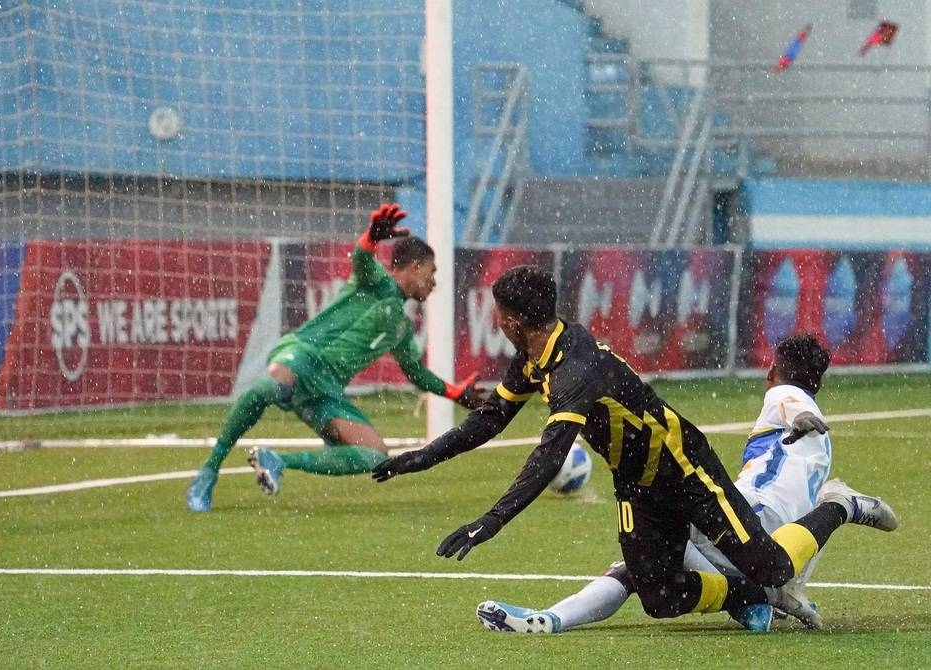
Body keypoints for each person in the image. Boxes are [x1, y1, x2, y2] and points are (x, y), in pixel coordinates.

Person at [372, 266, 898, 628]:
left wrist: (492, 519)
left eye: (499, 315)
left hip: (688, 474)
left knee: (775, 565)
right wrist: (412, 461)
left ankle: (840, 505)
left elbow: (547, 458)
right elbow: (487, 421)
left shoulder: (575, 370)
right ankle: (756, 598)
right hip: (639, 486)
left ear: (510, 321)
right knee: (661, 597)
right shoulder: (537, 355)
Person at [476, 332, 838, 634]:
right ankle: (755, 597)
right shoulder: (820, 449)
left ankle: (553, 618)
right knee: (655, 566)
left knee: (642, 565)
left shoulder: (782, 395)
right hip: (776, 550)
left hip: (751, 526)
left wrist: (801, 412)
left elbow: (789, 399)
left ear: (772, 369)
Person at [186, 203, 487, 512]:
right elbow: (361, 257)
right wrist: (371, 237)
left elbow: (416, 374)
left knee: (375, 455)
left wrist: (454, 392)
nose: (434, 283)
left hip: (325, 390)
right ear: (414, 267)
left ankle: (276, 460)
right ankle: (209, 471)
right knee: (265, 390)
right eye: (432, 272)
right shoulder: (376, 281)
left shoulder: (401, 329)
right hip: (302, 354)